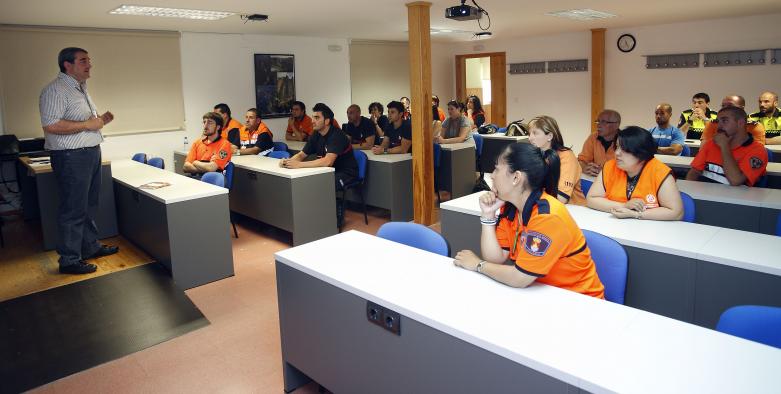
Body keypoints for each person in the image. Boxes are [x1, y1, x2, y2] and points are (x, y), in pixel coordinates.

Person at [452, 143, 604, 299]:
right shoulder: (510, 208)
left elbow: (520, 278)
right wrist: (488, 216)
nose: (492, 175)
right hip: (542, 293)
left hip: (580, 301)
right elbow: (496, 258)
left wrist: (478, 265)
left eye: (497, 169)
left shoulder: (547, 217)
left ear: (516, 177)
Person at [39, 47, 118, 274]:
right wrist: (87, 125)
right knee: (73, 209)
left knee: (89, 206)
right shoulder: (55, 90)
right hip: (72, 157)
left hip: (90, 153)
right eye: (83, 61)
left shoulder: (80, 88)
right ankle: (69, 260)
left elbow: (84, 122)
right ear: (67, 65)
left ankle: (89, 247)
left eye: (89, 60)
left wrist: (100, 120)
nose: (89, 64)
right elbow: (51, 125)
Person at [280, 103, 358, 226]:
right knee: (309, 181)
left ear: (327, 121)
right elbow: (301, 155)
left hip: (345, 173)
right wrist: (289, 161)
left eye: (317, 118)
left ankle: (334, 215)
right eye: (312, 117)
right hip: (327, 171)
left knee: (323, 183)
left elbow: (327, 161)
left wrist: (298, 165)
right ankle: (311, 217)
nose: (312, 121)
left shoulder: (337, 135)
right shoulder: (316, 134)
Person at [587, 126, 683, 221]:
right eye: (617, 147)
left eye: (624, 149)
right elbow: (591, 199)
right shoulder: (610, 166)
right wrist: (624, 206)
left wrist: (636, 214)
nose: (616, 153)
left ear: (641, 153)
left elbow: (676, 212)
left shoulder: (660, 172)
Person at [686, 106, 768, 187]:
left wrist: (724, 146)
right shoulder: (711, 143)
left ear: (741, 123)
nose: (719, 126)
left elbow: (735, 180)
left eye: (724, 121)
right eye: (718, 121)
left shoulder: (758, 150)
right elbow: (694, 172)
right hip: (705, 196)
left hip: (735, 199)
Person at [527, 115, 586, 205]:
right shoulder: (535, 156)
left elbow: (561, 199)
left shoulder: (566, 156)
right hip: (544, 207)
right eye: (529, 134)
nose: (530, 138)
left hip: (572, 211)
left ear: (549, 136)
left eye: (535, 133)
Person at [701, 95, 765, 144]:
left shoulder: (754, 127)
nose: (725, 109)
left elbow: (757, 153)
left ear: (741, 108)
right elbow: (703, 150)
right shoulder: (712, 125)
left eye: (730, 105)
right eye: (723, 106)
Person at [578, 109, 620, 177]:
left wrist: (605, 172)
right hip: (596, 180)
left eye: (604, 122)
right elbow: (581, 160)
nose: (598, 125)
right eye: (598, 121)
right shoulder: (593, 137)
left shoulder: (625, 141)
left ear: (616, 125)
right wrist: (585, 168)